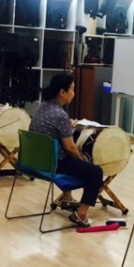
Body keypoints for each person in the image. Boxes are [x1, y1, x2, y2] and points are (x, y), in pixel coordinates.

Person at [29, 74, 103, 226]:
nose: (74, 94)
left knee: (72, 159)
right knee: (95, 172)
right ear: (62, 92)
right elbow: (70, 148)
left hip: (36, 159)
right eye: (72, 90)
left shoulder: (42, 107)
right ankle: (82, 214)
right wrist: (83, 160)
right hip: (54, 163)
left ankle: (67, 198)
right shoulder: (60, 115)